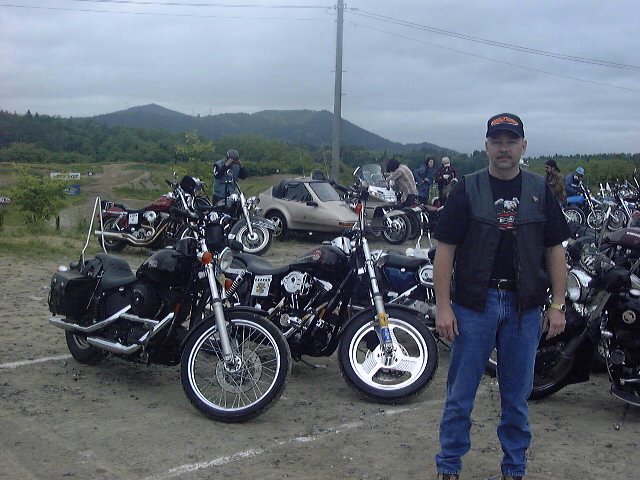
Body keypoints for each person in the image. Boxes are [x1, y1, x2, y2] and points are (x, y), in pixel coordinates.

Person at [432, 113, 570, 480]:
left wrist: (557, 305)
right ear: (486, 146)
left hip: (525, 308)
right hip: (474, 305)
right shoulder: (467, 188)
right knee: (460, 395)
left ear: (523, 146)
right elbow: (445, 250)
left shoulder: (540, 190)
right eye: (497, 142)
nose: (504, 148)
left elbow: (555, 250)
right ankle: (449, 466)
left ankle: (514, 469)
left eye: (511, 141)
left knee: (517, 398)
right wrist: (443, 306)